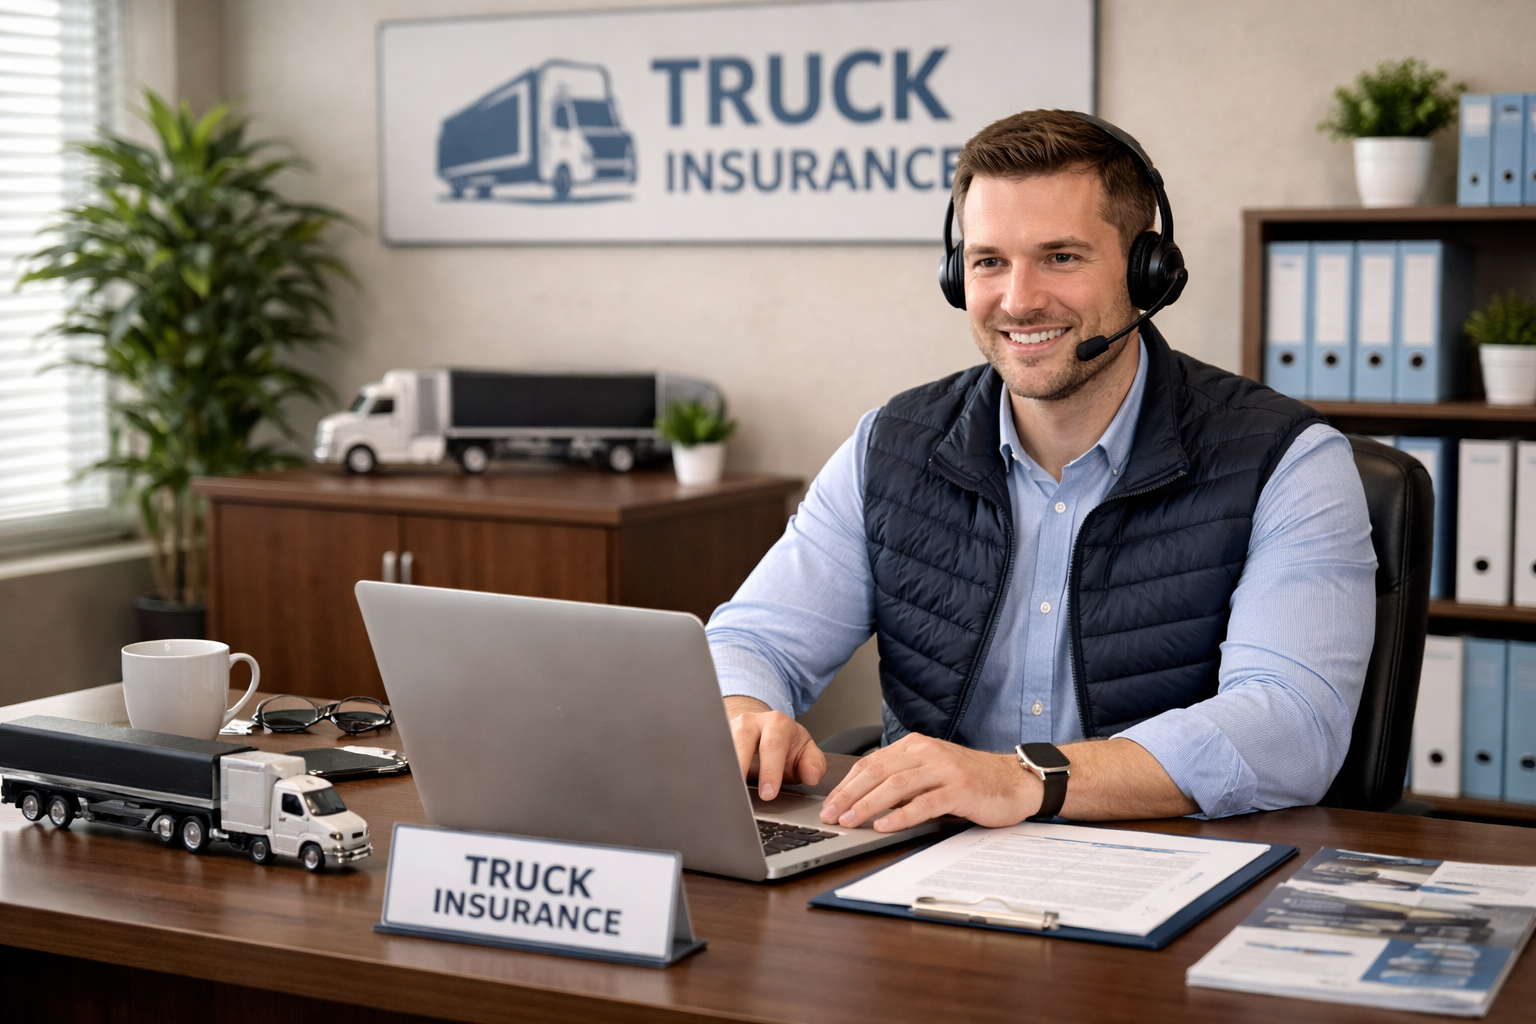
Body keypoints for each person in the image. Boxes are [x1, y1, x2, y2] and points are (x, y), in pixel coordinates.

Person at [706, 109, 1377, 833]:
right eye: (989, 261)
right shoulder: (889, 446)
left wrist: (1024, 778)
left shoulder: (1287, 461)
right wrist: (745, 713)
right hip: (922, 865)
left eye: (1061, 257)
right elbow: (754, 640)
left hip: (1164, 868)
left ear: (1149, 269)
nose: (1018, 300)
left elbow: (1290, 726)